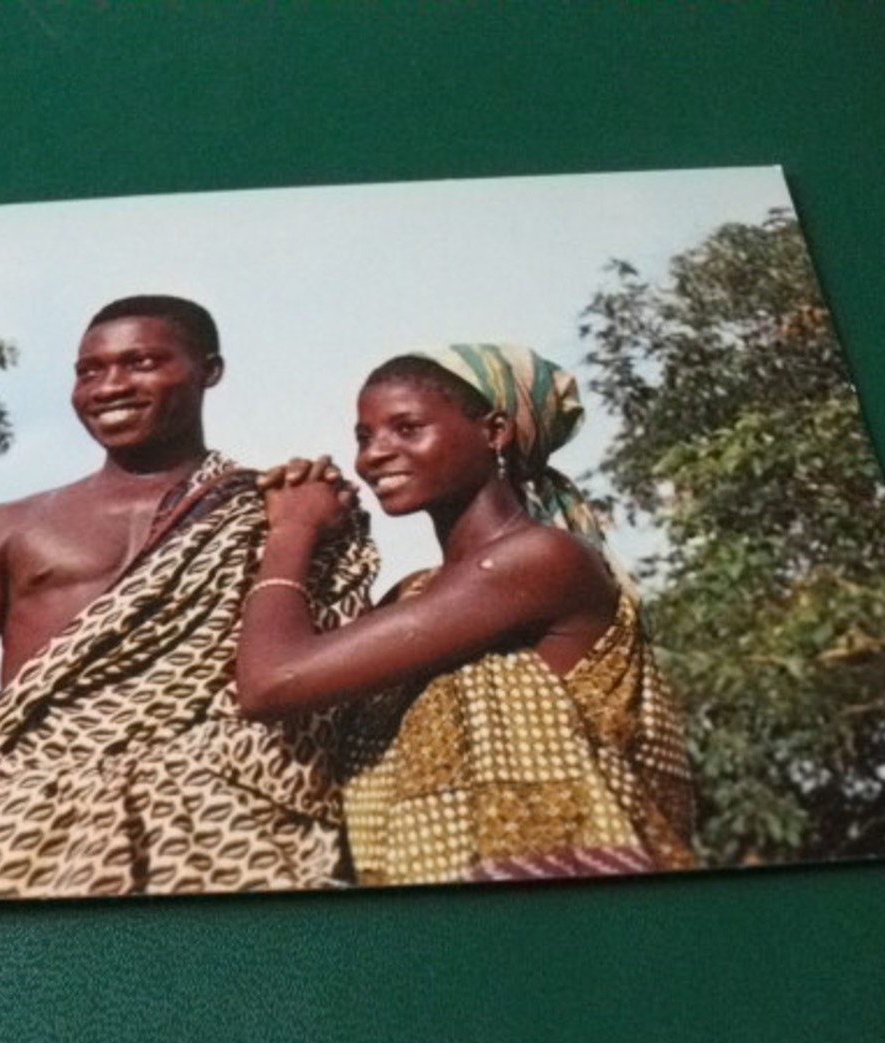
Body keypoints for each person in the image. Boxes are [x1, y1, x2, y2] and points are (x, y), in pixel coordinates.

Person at [0, 296, 376, 899]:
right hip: (8, 841)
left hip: (224, 833)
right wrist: (11, 827)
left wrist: (296, 531)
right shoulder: (8, 527)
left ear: (209, 370)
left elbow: (304, 703)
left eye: (141, 362)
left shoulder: (283, 509)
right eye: (88, 371)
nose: (110, 387)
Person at [237, 344, 695, 887]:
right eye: (364, 437)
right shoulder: (414, 593)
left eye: (406, 429)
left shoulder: (541, 560)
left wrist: (293, 530)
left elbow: (271, 681)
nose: (373, 455)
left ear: (494, 431)